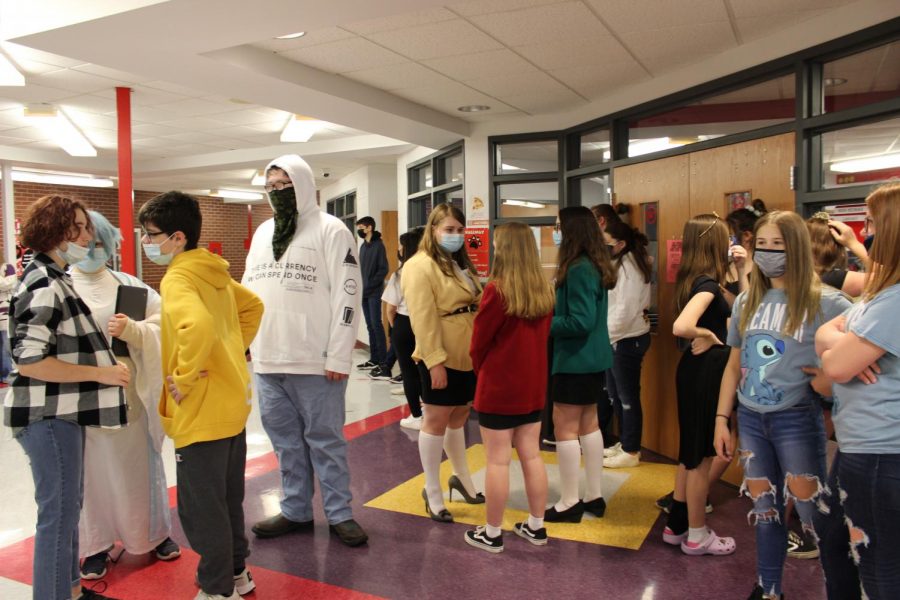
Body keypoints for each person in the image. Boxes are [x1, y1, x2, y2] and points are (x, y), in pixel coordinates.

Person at [714, 211, 850, 600]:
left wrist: (826, 376)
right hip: (752, 419)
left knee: (814, 515)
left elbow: (862, 357)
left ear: (798, 249)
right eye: (763, 245)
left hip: (796, 418)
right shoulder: (747, 301)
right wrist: (722, 419)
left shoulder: (829, 302)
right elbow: (733, 365)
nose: (770, 253)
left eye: (780, 245)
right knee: (765, 511)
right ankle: (768, 588)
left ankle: (839, 588)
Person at [138, 191, 264, 600]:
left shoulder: (177, 277)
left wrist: (186, 375)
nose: (146, 242)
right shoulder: (213, 272)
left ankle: (216, 589)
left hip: (203, 410)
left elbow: (198, 326)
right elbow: (254, 307)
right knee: (227, 499)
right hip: (231, 405)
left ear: (177, 238)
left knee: (199, 507)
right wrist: (228, 352)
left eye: (151, 234)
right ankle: (237, 575)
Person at [4, 195, 129, 600]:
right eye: (80, 225)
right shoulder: (43, 282)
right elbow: (30, 362)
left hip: (62, 415)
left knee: (66, 510)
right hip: (47, 417)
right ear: (60, 232)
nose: (89, 234)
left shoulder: (54, 276)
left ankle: (71, 590)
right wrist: (102, 373)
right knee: (57, 517)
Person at [243, 154, 368, 547]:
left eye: (285, 185)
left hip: (316, 362)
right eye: (272, 187)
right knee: (285, 442)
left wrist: (339, 354)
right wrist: (246, 341)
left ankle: (339, 513)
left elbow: (349, 295)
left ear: (303, 184)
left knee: (325, 441)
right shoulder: (263, 233)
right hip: (267, 360)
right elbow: (247, 291)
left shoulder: (331, 230)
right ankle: (296, 509)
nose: (278, 192)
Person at [71, 210, 179, 579]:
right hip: (82, 400)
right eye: (83, 237)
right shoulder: (61, 287)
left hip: (129, 396)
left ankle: (152, 535)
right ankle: (97, 545)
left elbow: (165, 322)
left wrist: (135, 331)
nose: (91, 246)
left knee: (138, 470)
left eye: (98, 240)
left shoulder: (129, 286)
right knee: (91, 477)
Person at [816, 182, 900, 600]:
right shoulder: (881, 293)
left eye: (871, 224)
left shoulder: (895, 301)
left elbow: (832, 365)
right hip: (858, 447)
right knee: (834, 544)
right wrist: (834, 337)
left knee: (878, 564)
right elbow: (825, 337)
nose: (862, 234)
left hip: (881, 453)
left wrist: (837, 345)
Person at [464, 222, 554, 552]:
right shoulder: (544, 290)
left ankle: (491, 532)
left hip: (499, 388)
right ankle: (536, 525)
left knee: (498, 461)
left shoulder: (497, 291)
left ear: (504, 250)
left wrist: (482, 372)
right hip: (533, 387)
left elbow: (478, 343)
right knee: (532, 455)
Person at [402, 203, 483, 523]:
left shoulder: (456, 262)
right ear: (433, 230)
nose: (456, 235)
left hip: (467, 351)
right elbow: (421, 317)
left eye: (460, 230)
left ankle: (461, 478)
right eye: (449, 230)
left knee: (460, 414)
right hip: (440, 350)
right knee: (435, 418)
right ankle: (432, 490)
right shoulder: (419, 265)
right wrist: (434, 361)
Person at [664, 213, 735, 556]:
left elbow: (741, 307)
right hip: (706, 374)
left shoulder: (696, 278)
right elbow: (682, 326)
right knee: (700, 458)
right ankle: (696, 534)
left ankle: (676, 526)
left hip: (695, 372)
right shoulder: (706, 285)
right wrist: (707, 333)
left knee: (689, 454)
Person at [545, 206, 617, 523]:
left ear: (572, 230)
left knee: (565, 427)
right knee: (590, 424)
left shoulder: (577, 268)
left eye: (559, 225)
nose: (555, 230)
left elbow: (580, 321)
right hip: (593, 357)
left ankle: (569, 500)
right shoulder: (593, 265)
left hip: (575, 359)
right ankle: (593, 496)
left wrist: (545, 321)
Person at [601, 220, 652, 469]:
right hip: (615, 338)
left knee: (627, 396)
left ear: (620, 243)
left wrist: (607, 336)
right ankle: (624, 443)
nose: (602, 245)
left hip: (626, 339)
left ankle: (631, 450)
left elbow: (625, 309)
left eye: (606, 241)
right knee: (615, 395)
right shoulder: (619, 262)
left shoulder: (630, 266)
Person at [383, 227, 425, 429]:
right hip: (426, 324)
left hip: (404, 323)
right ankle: (428, 409)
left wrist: (395, 329)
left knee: (408, 372)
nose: (398, 249)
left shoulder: (400, 274)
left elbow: (390, 308)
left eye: (400, 246)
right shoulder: (431, 269)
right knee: (425, 369)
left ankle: (416, 416)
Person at [356, 216, 390, 376]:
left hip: (374, 292)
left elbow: (383, 269)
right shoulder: (363, 247)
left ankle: (383, 361)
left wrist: (370, 285)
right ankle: (374, 358)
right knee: (369, 325)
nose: (359, 230)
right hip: (363, 293)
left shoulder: (379, 246)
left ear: (369, 228)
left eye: (361, 227)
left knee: (377, 325)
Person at [806, 212, 868, 297]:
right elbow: (887, 279)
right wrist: (853, 243)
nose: (862, 232)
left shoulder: (799, 277)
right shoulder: (833, 278)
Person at [0, 259, 17, 383]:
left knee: (6, 345)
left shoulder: (8, 268)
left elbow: (8, 284)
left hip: (5, 312)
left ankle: (7, 373)